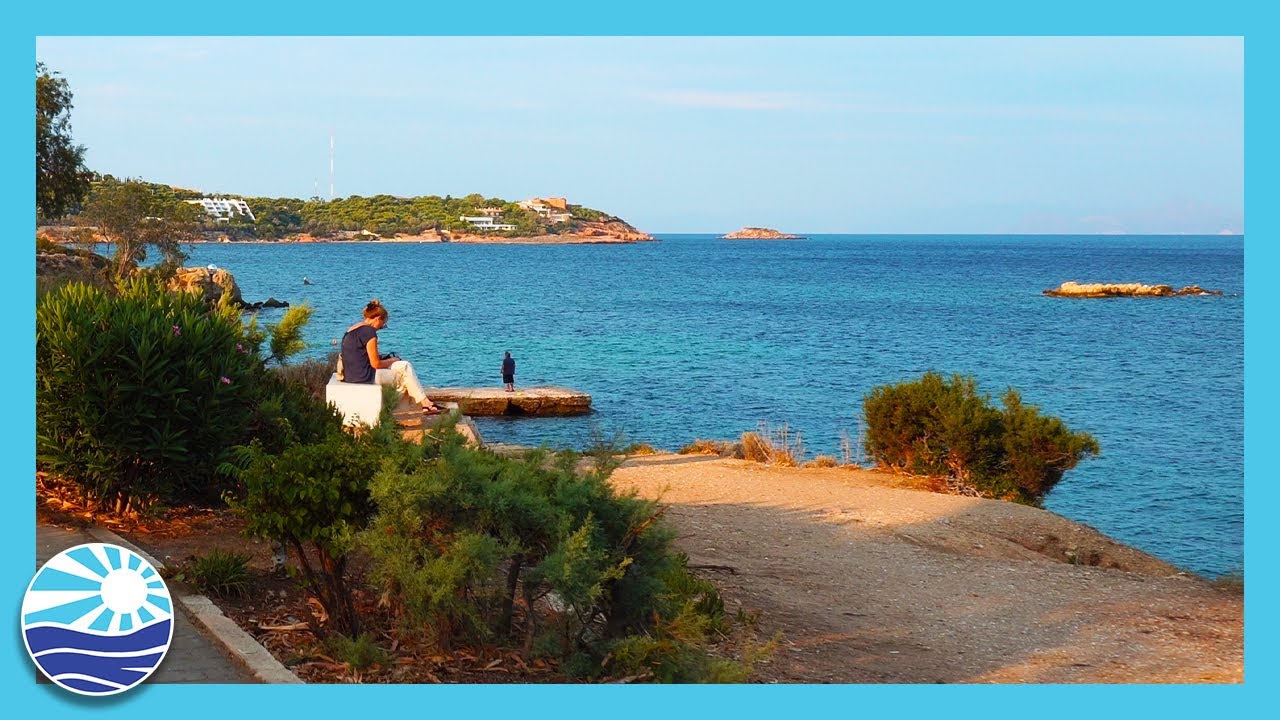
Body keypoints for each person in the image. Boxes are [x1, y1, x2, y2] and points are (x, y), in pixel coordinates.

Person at [340, 299, 440, 414]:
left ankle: (422, 405)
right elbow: (375, 364)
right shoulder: (369, 332)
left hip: (351, 375)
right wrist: (392, 360)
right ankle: (415, 406)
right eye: (383, 324)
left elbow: (359, 355)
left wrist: (386, 360)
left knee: (404, 370)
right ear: (378, 319)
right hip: (365, 376)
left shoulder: (352, 329)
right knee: (405, 371)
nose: (381, 327)